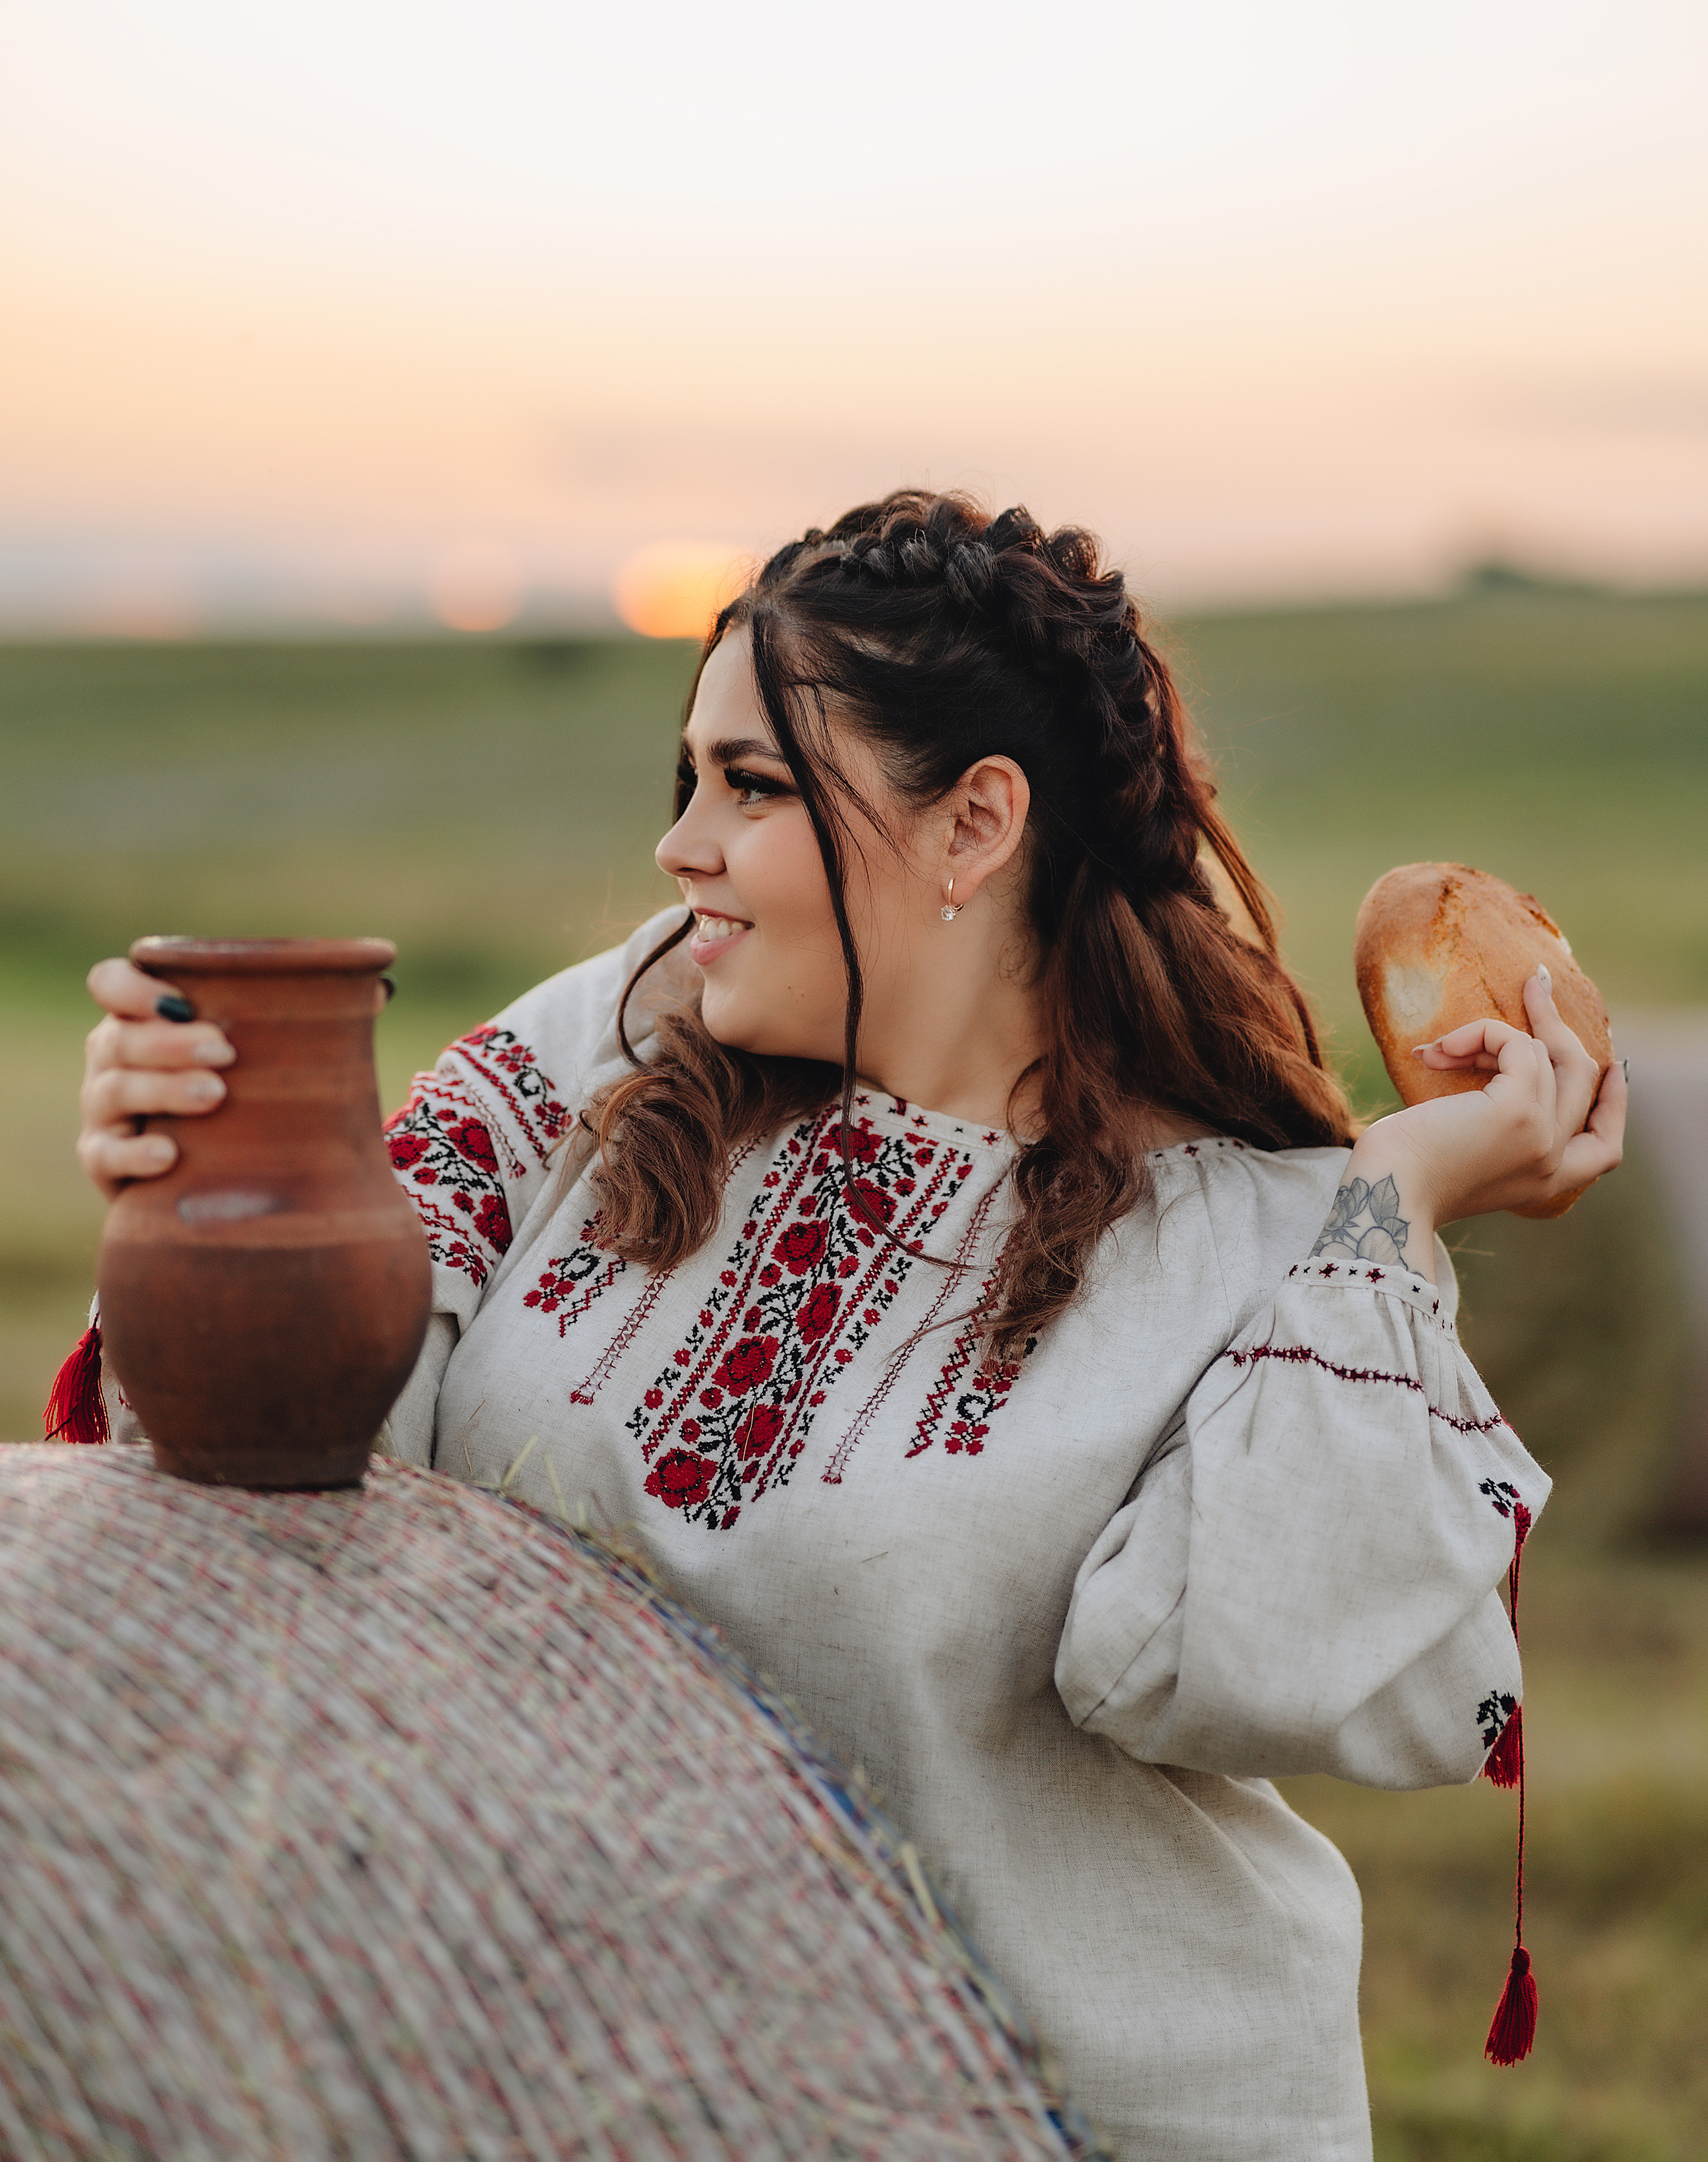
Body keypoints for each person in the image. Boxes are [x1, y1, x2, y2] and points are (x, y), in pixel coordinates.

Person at [77, 492, 1623, 2162]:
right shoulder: (608, 1061)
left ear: (973, 826)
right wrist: (207, 1159)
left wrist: (1398, 1192)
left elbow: (1232, 1662)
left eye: (750, 786)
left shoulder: (1269, 1249)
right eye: (691, 779)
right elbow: (272, 1448)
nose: (680, 844)